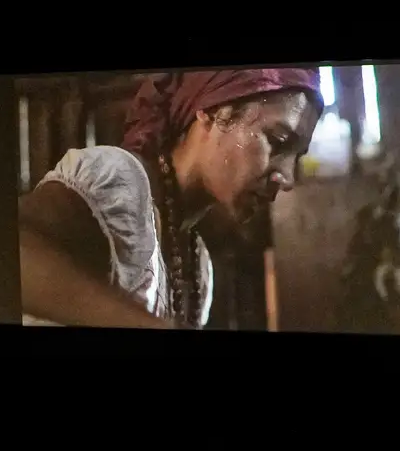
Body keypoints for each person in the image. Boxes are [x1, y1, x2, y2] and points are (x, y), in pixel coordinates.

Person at [18, 68, 323, 328]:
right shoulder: (118, 183)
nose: (287, 177)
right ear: (214, 112)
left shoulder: (198, 263)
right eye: (278, 141)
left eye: (297, 157)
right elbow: (9, 250)